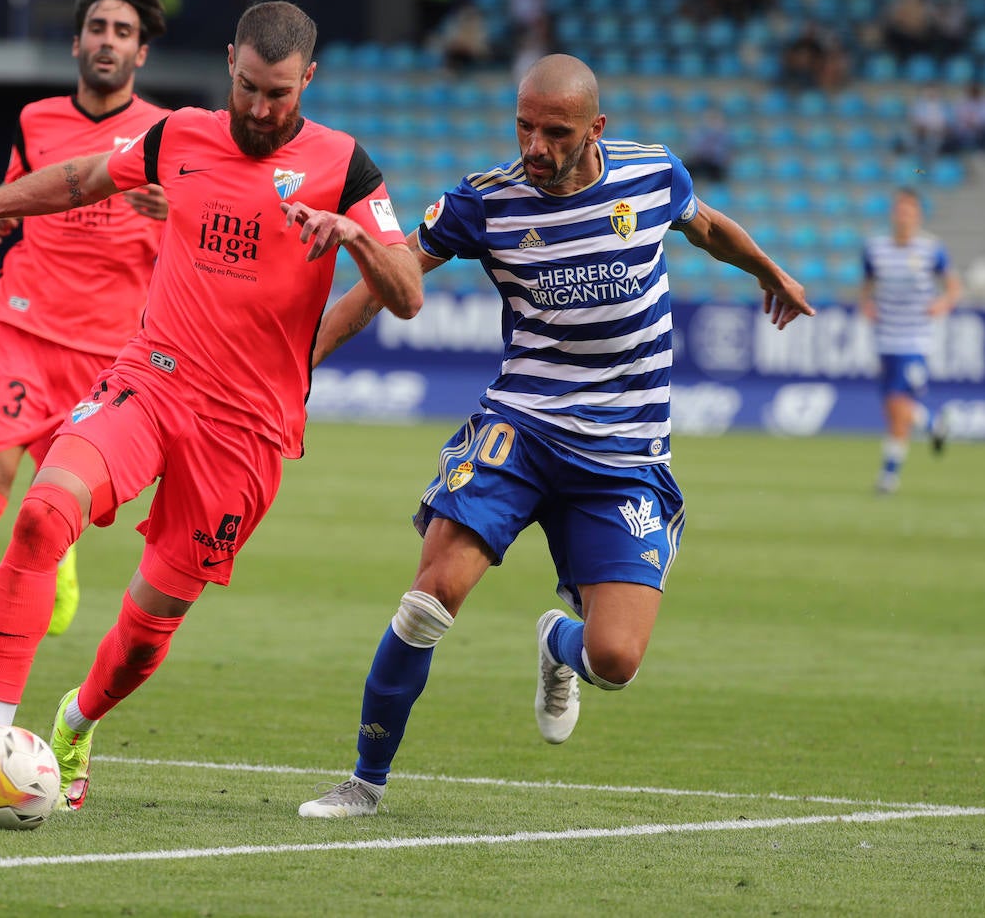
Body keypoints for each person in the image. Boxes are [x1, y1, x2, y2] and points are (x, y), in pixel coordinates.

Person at [0, 0, 424, 808]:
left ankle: (74, 723)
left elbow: (408, 294)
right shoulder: (180, 135)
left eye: (278, 94)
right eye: (247, 86)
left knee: (145, 637)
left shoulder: (345, 167)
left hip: (245, 432)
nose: (257, 108)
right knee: (41, 515)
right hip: (150, 380)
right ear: (229, 65)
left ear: (308, 80)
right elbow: (81, 177)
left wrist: (353, 237)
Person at [297, 54, 815, 818]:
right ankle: (365, 782)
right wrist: (295, 372)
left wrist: (770, 272)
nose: (535, 146)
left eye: (555, 132)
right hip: (524, 428)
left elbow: (707, 229)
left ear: (595, 129)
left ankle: (556, 646)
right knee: (429, 598)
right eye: (524, 127)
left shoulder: (651, 174)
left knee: (615, 660)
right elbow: (388, 278)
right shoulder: (484, 201)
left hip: (627, 454)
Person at [0, 0, 171, 701]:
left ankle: (57, 562)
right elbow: (17, 197)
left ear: (141, 55)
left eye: (123, 32)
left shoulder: (166, 132)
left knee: (61, 498)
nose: (108, 41)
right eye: (98, 28)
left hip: (111, 350)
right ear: (76, 43)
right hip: (24, 325)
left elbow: (201, 237)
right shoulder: (35, 120)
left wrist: (172, 212)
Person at [859, 187, 962, 495]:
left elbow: (954, 287)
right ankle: (931, 427)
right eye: (899, 210)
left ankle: (889, 476)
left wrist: (941, 304)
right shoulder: (875, 249)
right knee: (893, 410)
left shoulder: (932, 250)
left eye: (909, 210)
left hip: (915, 339)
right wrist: (867, 305)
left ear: (917, 215)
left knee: (896, 403)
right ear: (893, 213)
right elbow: (866, 285)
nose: (903, 216)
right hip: (885, 338)